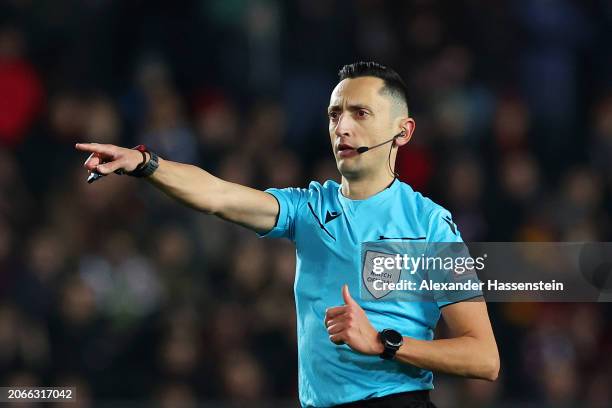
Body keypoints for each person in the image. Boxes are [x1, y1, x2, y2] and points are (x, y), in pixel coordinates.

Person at [75, 61, 499, 408]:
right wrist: (145, 163)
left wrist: (385, 343)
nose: (342, 128)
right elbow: (218, 195)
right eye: (335, 114)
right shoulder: (309, 207)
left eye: (360, 113)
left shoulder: (429, 225)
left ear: (402, 132)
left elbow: (483, 357)